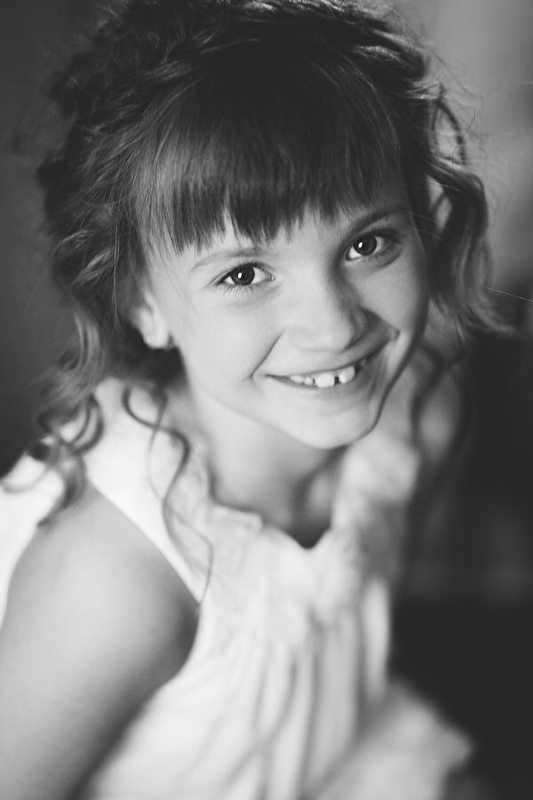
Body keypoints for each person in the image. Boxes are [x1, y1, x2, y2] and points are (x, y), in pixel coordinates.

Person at [0, 1, 499, 797]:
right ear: (142, 305)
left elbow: (325, 668)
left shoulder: (417, 420)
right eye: (243, 274)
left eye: (367, 242)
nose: (333, 326)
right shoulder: (115, 583)